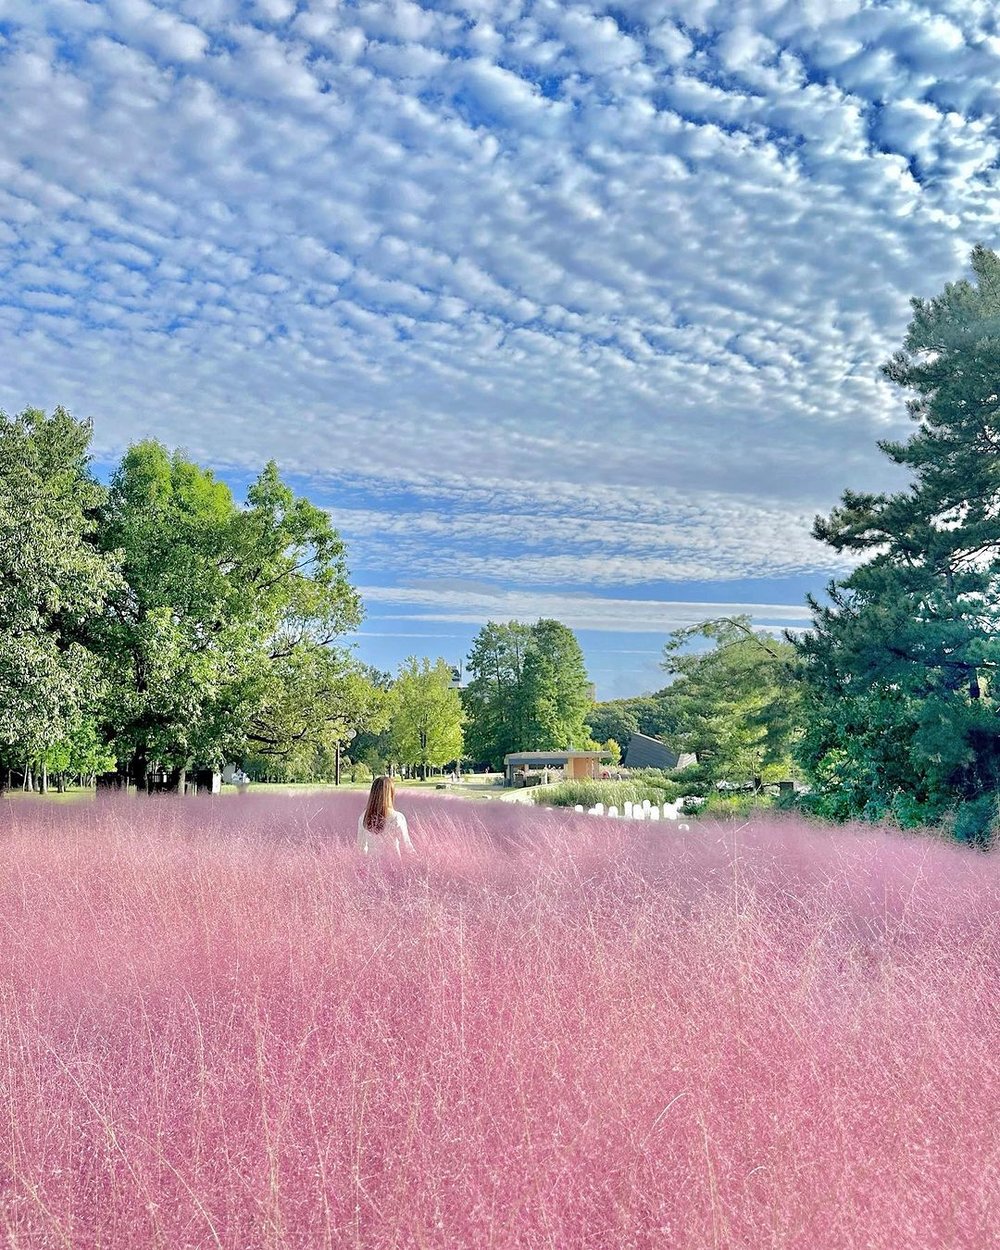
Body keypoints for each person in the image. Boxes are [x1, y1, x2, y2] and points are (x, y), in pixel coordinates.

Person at [357, 775, 414, 859]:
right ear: (390, 794)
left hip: (372, 866)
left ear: (373, 794)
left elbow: (360, 848)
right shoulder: (397, 818)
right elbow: (406, 846)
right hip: (393, 865)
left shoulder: (364, 817)